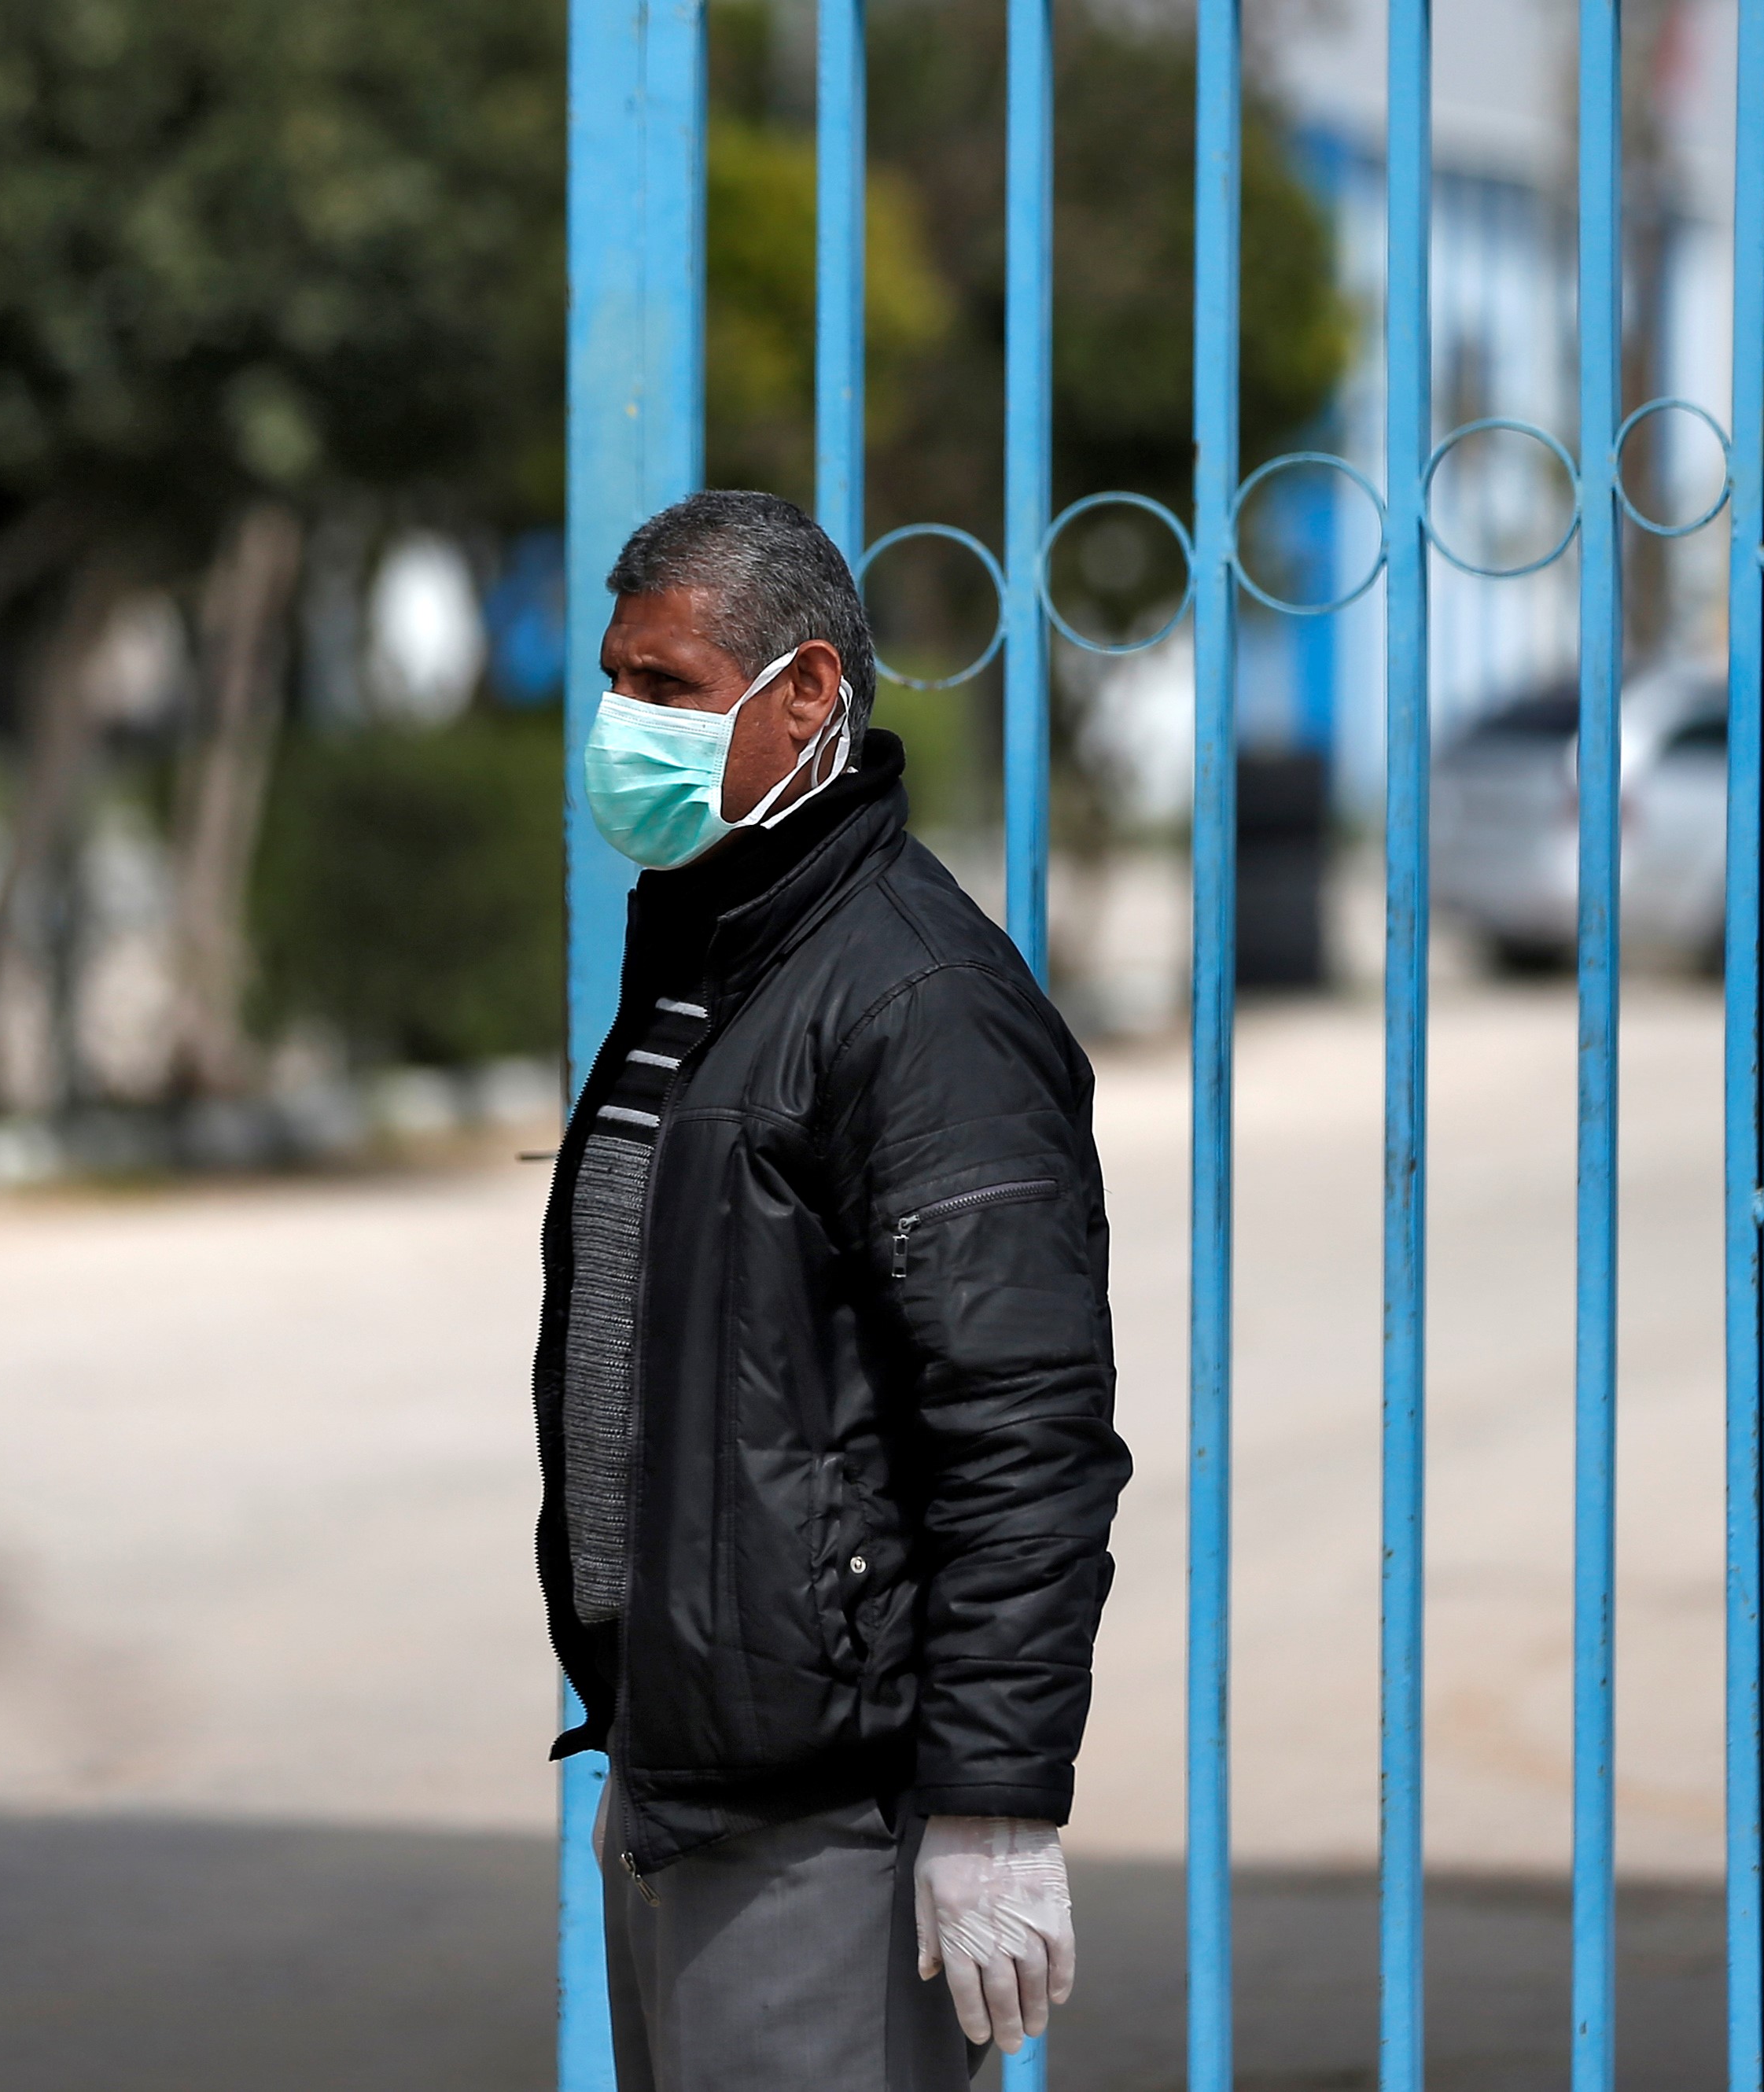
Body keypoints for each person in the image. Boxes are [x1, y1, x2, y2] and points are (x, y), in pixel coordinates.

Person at [534, 488, 1129, 2091]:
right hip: (681, 1781)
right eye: (613, 681)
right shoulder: (712, 961)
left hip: (826, 1827)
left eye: (666, 687)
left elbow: (1025, 1424)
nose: (622, 726)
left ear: (807, 692)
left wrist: (997, 1800)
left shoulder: (917, 1001)